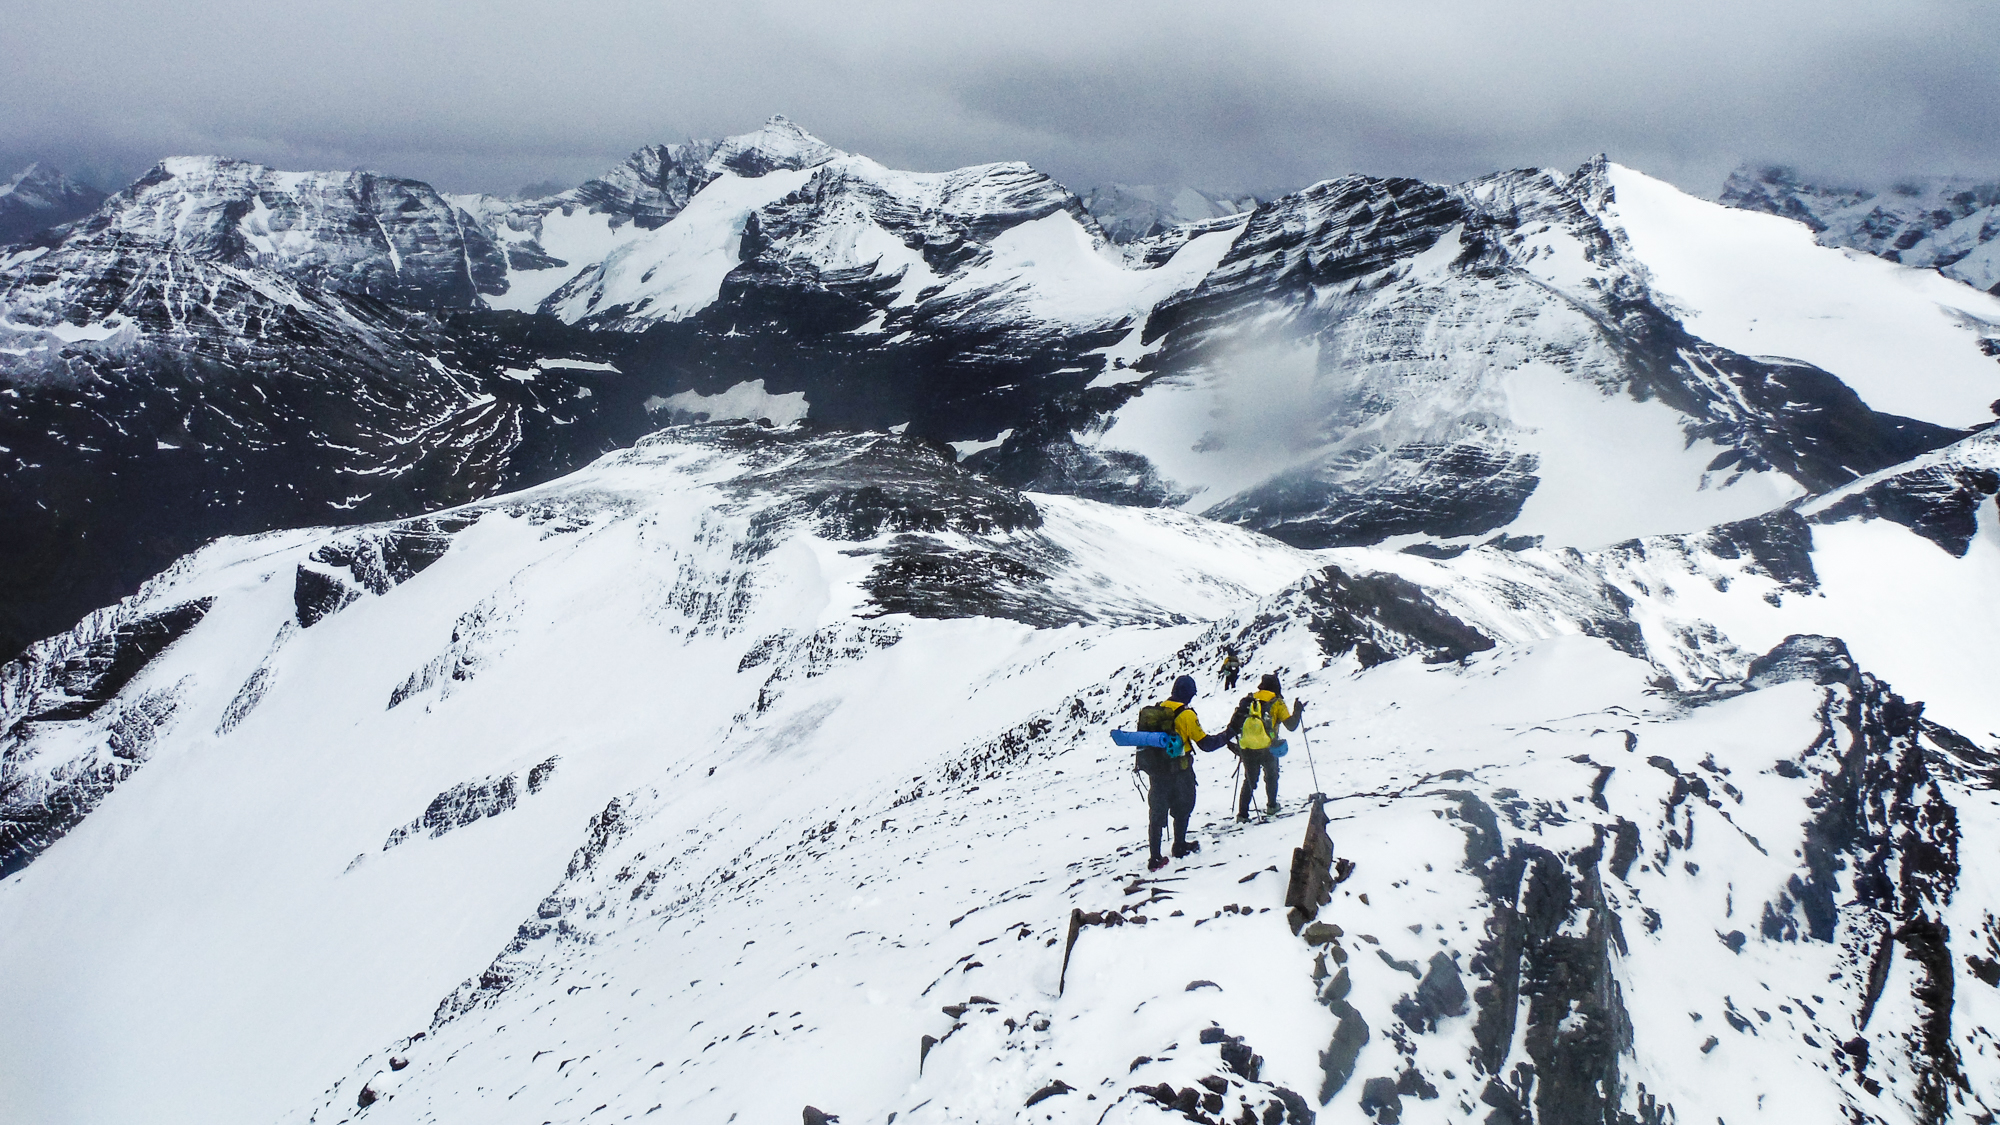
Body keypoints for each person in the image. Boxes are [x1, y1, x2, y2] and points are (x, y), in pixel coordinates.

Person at [1142, 675, 1231, 871]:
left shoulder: (1157, 710)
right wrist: (1227, 735)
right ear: (1189, 694)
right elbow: (1206, 744)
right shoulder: (1187, 714)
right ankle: (1179, 846)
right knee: (1183, 808)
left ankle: (1155, 858)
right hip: (1180, 772)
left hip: (1156, 772)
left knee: (1156, 813)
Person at [1233, 673, 1304, 822]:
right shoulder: (1277, 702)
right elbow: (1291, 725)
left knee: (1250, 780)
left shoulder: (1250, 699)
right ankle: (1272, 805)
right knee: (1271, 776)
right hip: (1267, 746)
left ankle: (1242, 814)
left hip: (1247, 747)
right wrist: (1297, 711)